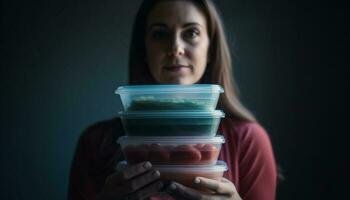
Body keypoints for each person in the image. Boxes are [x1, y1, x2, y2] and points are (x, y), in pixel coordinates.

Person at [68, 0, 277, 199]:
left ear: (211, 48)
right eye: (160, 34)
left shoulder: (249, 140)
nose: (175, 48)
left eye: (192, 32)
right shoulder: (95, 143)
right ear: (144, 49)